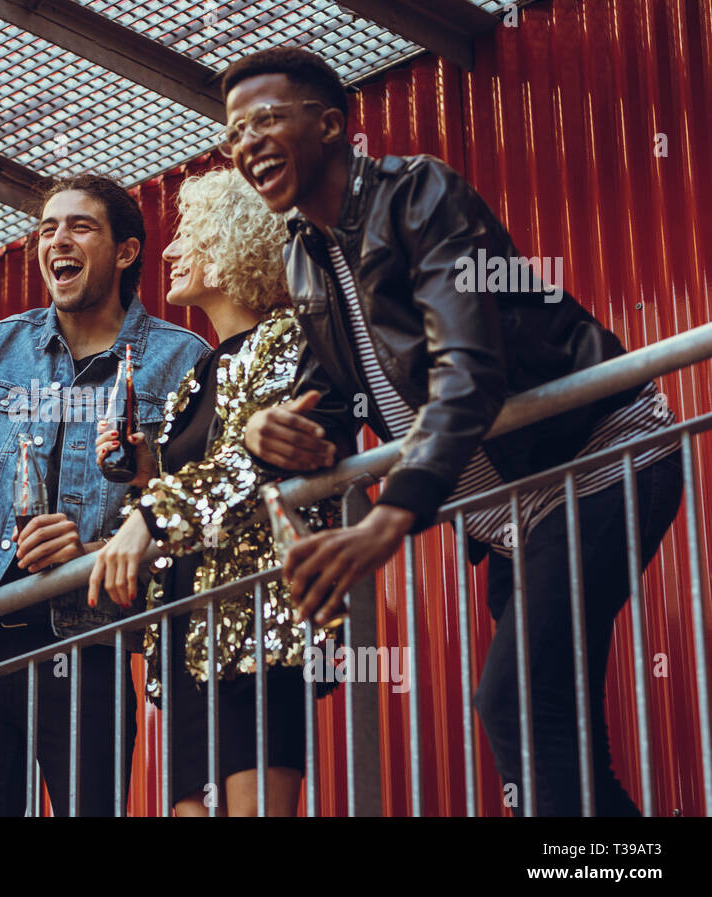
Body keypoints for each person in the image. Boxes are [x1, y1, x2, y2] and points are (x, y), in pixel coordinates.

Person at [223, 47, 683, 816]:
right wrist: (276, 431)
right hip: (512, 516)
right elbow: (335, 396)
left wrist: (393, 515)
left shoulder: (420, 195)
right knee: (549, 729)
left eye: (265, 119)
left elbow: (469, 366)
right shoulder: (305, 258)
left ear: (332, 125)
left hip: (600, 464)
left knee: (514, 698)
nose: (246, 142)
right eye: (233, 131)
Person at [0, 173, 210, 816]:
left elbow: (194, 504)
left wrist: (93, 550)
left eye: (79, 226)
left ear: (126, 252)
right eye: (47, 228)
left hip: (90, 644)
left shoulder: (182, 361)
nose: (56, 240)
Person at [86, 168, 338, 817]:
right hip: (186, 637)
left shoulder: (290, 339)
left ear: (234, 244)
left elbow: (253, 463)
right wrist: (149, 474)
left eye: (187, 236)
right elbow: (209, 477)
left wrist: (150, 514)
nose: (168, 252)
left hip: (256, 627)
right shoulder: (197, 372)